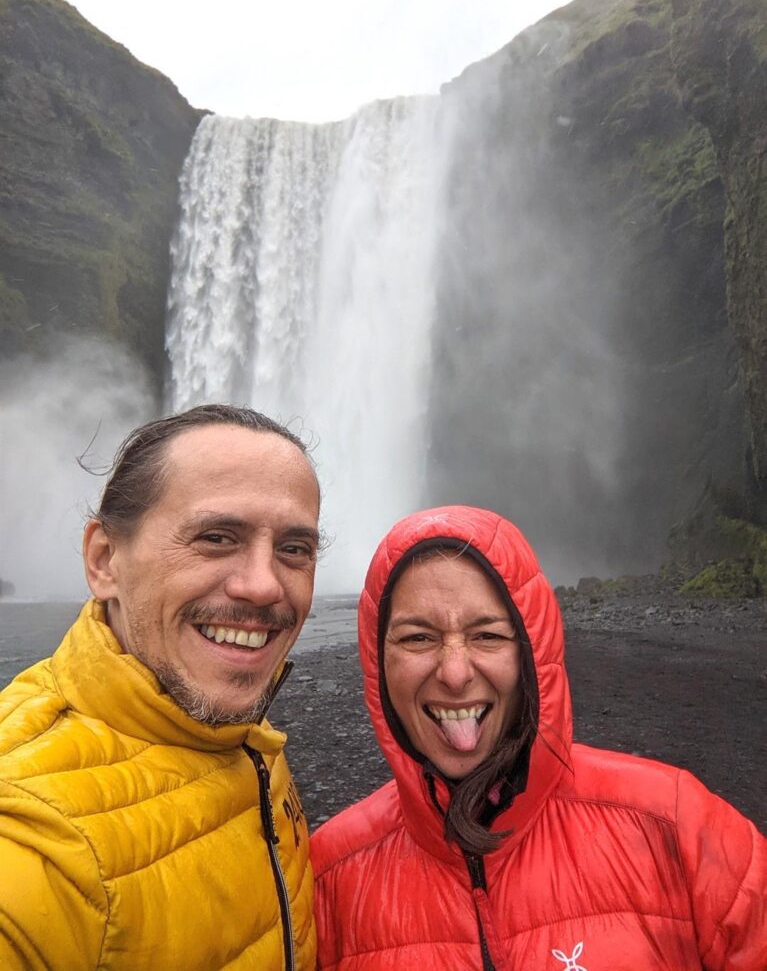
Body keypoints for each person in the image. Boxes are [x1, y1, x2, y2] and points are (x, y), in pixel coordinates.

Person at [311, 505, 766, 970]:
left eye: (487, 635)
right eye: (416, 639)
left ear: (533, 651)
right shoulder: (327, 877)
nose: (453, 672)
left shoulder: (679, 826)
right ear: (376, 662)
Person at [0, 404, 321, 970]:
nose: (264, 585)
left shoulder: (247, 738)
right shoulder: (31, 846)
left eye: (294, 549)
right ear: (104, 561)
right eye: (217, 537)